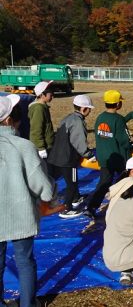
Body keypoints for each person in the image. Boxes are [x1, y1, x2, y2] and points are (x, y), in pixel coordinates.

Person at [0, 95, 54, 306]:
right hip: (20, 215)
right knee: (24, 262)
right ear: (8, 120)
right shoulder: (23, 146)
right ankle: (27, 304)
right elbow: (44, 189)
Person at [84, 90, 131, 218]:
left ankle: (91, 207)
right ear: (117, 104)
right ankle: (122, 206)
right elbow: (124, 141)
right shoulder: (118, 119)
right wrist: (131, 146)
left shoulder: (100, 117)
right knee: (124, 182)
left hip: (104, 156)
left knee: (104, 183)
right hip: (118, 157)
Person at [47, 95, 95, 219]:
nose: (90, 111)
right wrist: (88, 154)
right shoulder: (78, 122)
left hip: (58, 155)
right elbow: (78, 142)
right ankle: (67, 208)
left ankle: (75, 198)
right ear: (84, 109)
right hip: (67, 158)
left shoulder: (68, 118)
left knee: (71, 180)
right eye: (89, 109)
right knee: (71, 183)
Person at [28, 81, 55, 160]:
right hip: (44, 147)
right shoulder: (38, 109)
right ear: (42, 95)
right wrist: (40, 148)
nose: (53, 97)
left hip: (47, 145)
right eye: (51, 95)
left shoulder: (43, 107)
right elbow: (36, 130)